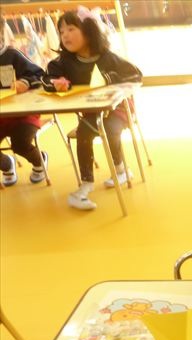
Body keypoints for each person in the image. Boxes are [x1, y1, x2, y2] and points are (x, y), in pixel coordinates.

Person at [42, 9, 142, 210]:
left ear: (88, 31)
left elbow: (136, 75)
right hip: (91, 113)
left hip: (118, 109)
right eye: (62, 32)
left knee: (110, 128)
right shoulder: (64, 61)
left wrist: (110, 78)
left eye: (71, 29)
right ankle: (84, 186)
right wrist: (56, 84)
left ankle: (121, 169)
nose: (65, 35)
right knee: (85, 132)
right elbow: (46, 79)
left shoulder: (106, 57)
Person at [0, 17, 48, 187]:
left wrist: (25, 82)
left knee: (20, 143)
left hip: (23, 114)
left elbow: (40, 74)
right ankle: (7, 165)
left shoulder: (12, 55)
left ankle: (40, 160)